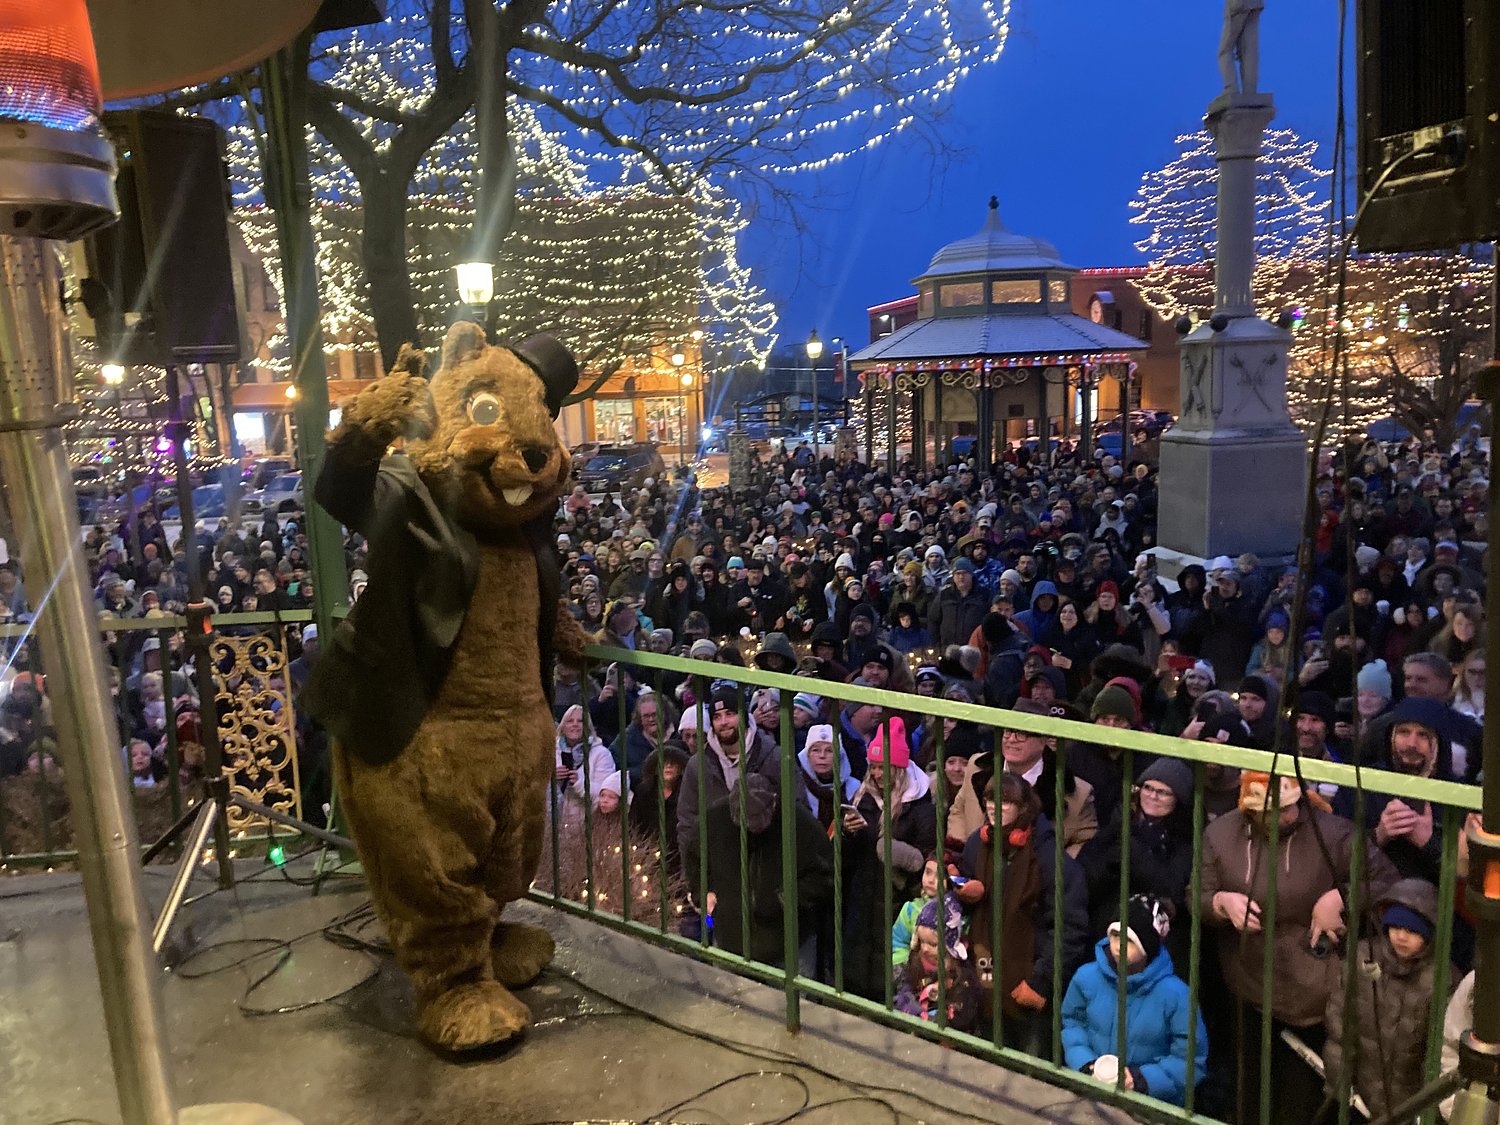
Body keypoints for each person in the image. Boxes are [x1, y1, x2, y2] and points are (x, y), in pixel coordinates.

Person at [1199, 770, 1400, 1123]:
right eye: (1272, 811)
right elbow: (1196, 896)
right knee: (1252, 1087)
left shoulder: (1333, 832)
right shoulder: (1221, 835)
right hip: (1248, 981)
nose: (1284, 818)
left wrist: (1340, 898)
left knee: (1302, 1096)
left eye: (1291, 808)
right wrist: (1221, 902)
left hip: (1314, 989)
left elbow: (1386, 880)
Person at [1061, 895, 1207, 1108]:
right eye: (1115, 935)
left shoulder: (1176, 996)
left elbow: (1189, 1059)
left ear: (1148, 946)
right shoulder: (1086, 978)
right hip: (1091, 1093)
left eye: (1129, 940)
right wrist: (1085, 1063)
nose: (1119, 945)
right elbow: (1072, 1023)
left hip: (1150, 1105)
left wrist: (1141, 1079)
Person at [1322, 878, 1442, 1122]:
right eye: (1396, 926)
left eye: (1412, 930)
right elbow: (1341, 1024)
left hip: (1410, 1104)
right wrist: (1339, 1079)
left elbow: (1439, 1054)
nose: (1401, 936)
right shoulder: (1363, 958)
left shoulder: (1441, 980)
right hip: (1360, 1096)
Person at [702, 773, 832, 967]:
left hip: (788, 942)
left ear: (773, 804)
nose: (751, 828)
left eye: (758, 822)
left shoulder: (800, 824)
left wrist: (783, 898)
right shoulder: (716, 819)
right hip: (730, 938)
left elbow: (824, 875)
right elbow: (695, 855)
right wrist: (703, 890)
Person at [894, 892, 981, 1033]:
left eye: (933, 944)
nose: (925, 949)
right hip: (917, 1028)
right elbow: (905, 989)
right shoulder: (916, 962)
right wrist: (913, 1010)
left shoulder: (961, 975)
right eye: (922, 941)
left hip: (949, 1040)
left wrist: (937, 1017)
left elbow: (963, 1012)